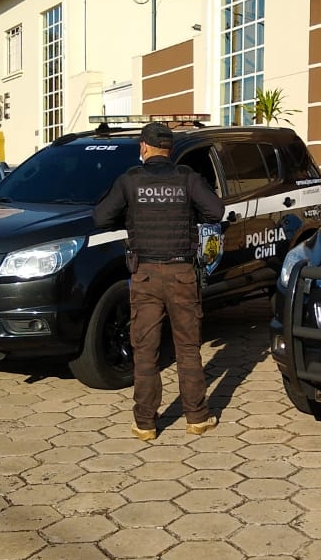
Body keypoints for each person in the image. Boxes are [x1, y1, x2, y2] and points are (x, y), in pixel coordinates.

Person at [93, 122, 226, 441]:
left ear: (144, 147)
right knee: (188, 348)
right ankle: (197, 417)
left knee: (146, 350)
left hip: (146, 275)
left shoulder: (130, 181)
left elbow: (101, 217)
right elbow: (216, 211)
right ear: (169, 149)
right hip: (182, 274)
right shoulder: (187, 178)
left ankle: (145, 423)